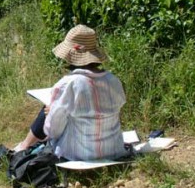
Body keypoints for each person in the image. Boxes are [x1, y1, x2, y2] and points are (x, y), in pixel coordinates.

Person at [13, 24, 127, 161]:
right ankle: (24, 145)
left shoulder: (67, 85)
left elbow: (52, 131)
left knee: (48, 110)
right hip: (114, 151)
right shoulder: (114, 81)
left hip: (75, 155)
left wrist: (51, 114)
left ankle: (23, 146)